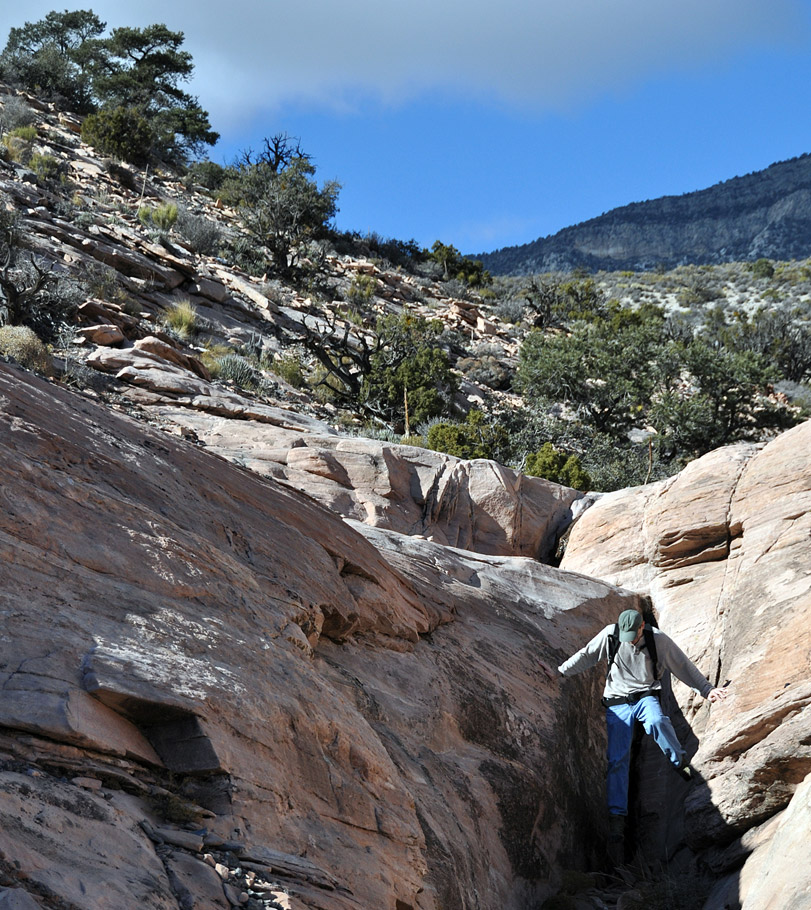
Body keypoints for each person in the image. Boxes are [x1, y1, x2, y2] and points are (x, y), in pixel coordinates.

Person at [547, 608, 728, 841]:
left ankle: (679, 762)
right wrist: (559, 672)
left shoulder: (658, 640)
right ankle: (617, 817)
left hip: (645, 696)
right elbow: (587, 655)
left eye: (633, 634)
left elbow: (681, 665)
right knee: (617, 759)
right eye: (626, 634)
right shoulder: (611, 635)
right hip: (617, 702)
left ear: (642, 626)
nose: (629, 639)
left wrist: (707, 690)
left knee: (658, 721)